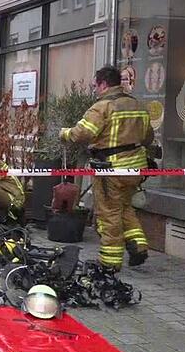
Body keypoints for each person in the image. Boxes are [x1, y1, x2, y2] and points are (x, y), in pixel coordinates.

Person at [61, 65, 154, 269]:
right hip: (136, 169)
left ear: (103, 84)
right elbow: (148, 138)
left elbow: (82, 134)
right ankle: (138, 245)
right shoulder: (138, 105)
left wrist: (65, 133)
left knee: (109, 214)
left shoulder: (102, 106)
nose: (95, 89)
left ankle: (109, 263)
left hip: (111, 169)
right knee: (124, 206)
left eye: (95, 85)